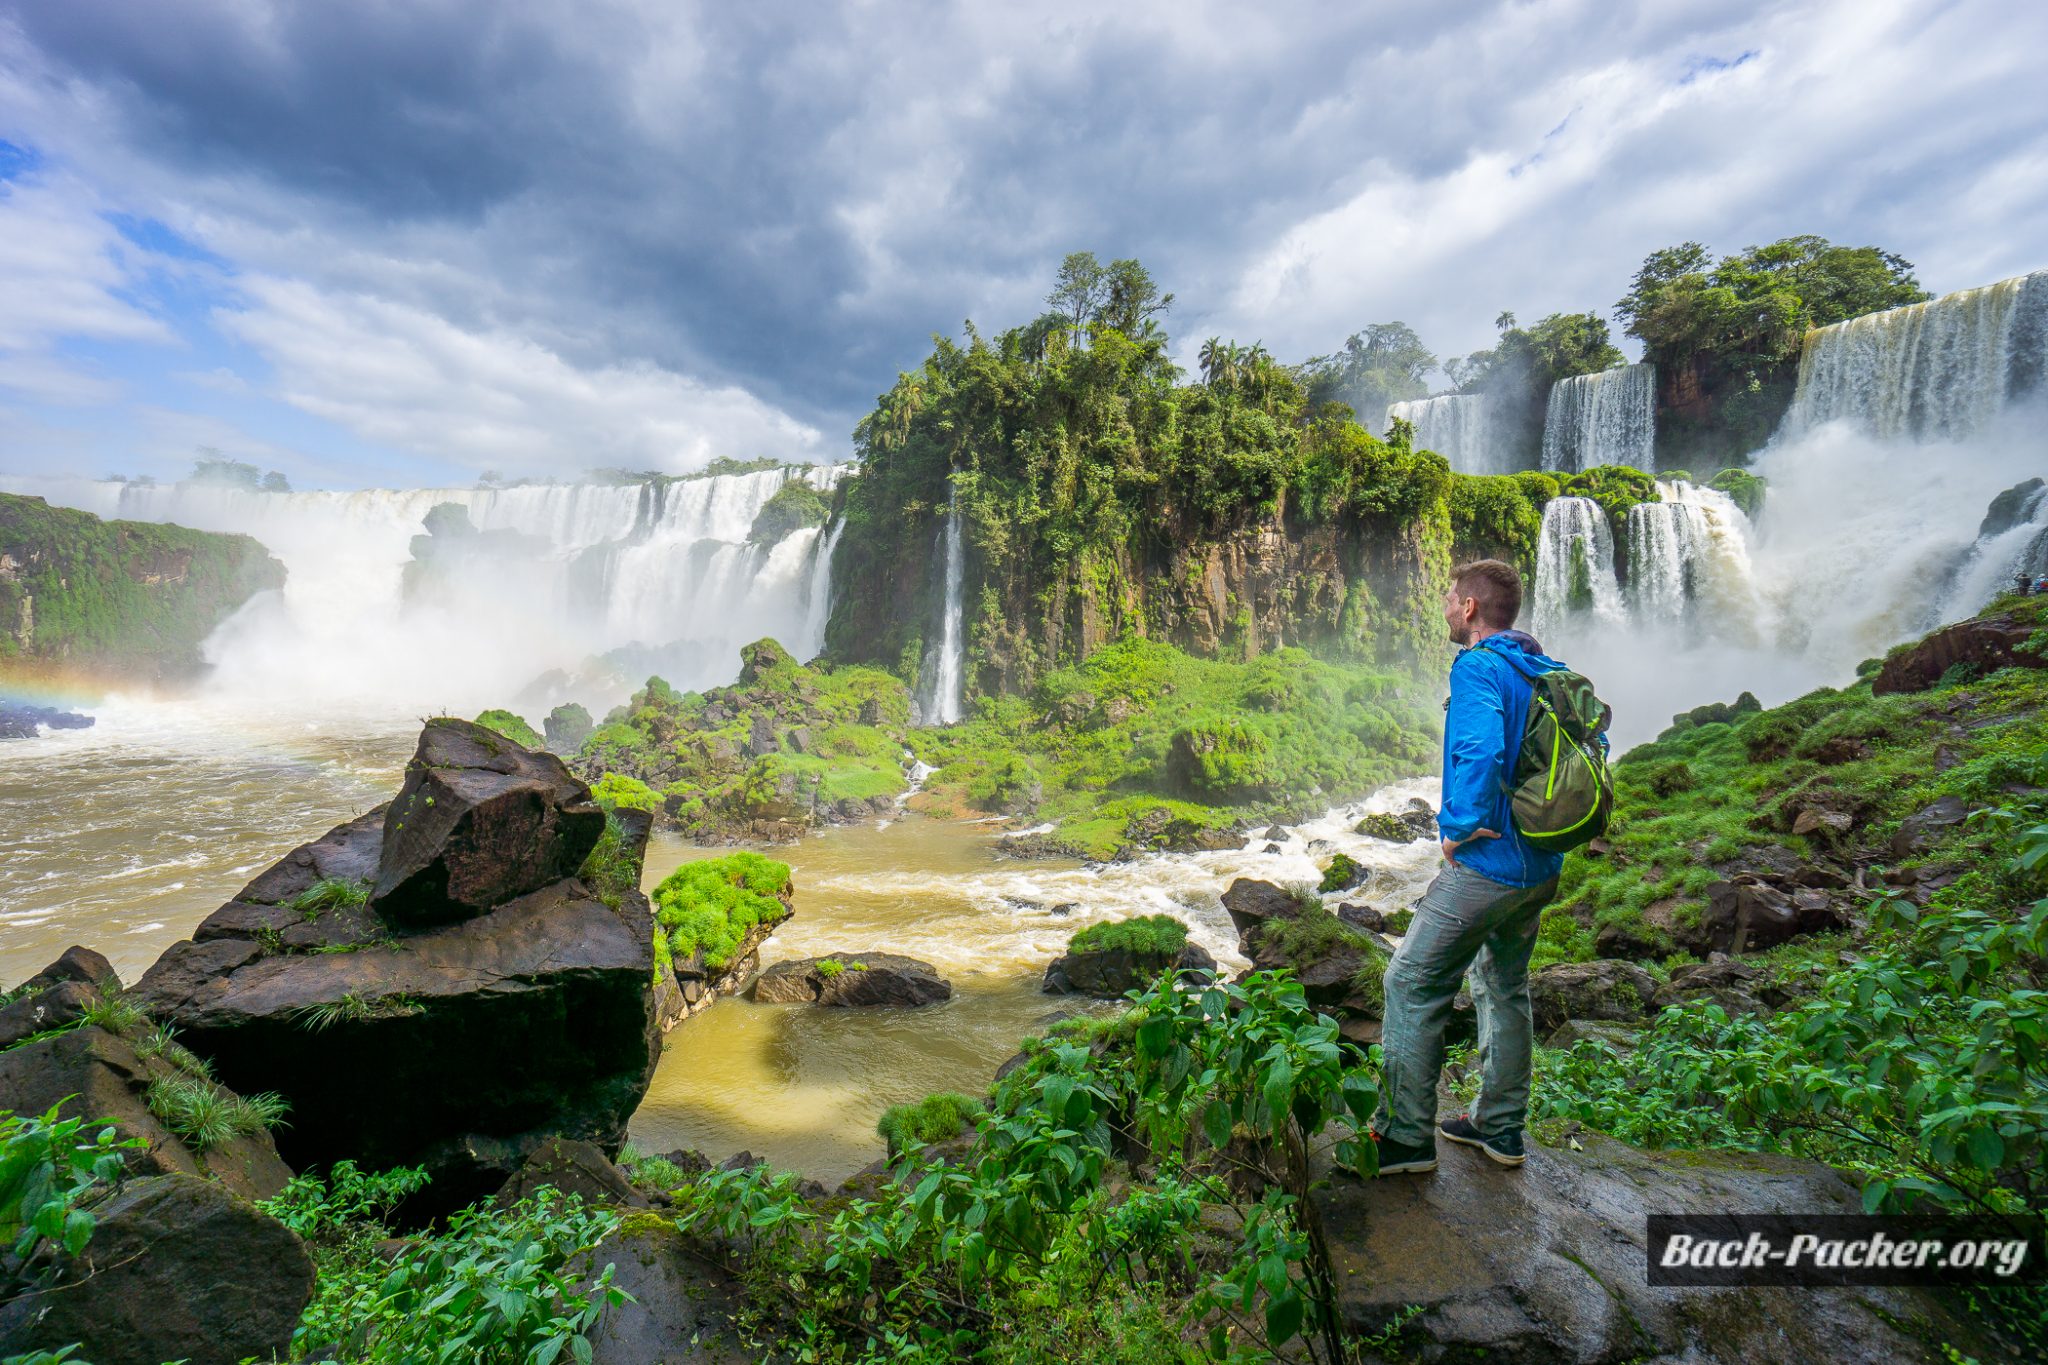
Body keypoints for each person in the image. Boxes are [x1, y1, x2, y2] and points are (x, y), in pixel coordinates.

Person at [1371, 559, 1574, 1175]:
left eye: (1448, 597)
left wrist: (1459, 828)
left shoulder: (1479, 665)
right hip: (1540, 863)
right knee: (1502, 983)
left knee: (1410, 981)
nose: (1444, 605)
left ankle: (1405, 1139)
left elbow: (1480, 748)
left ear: (1468, 609)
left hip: (1489, 865)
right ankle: (1499, 1128)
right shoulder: (1541, 668)